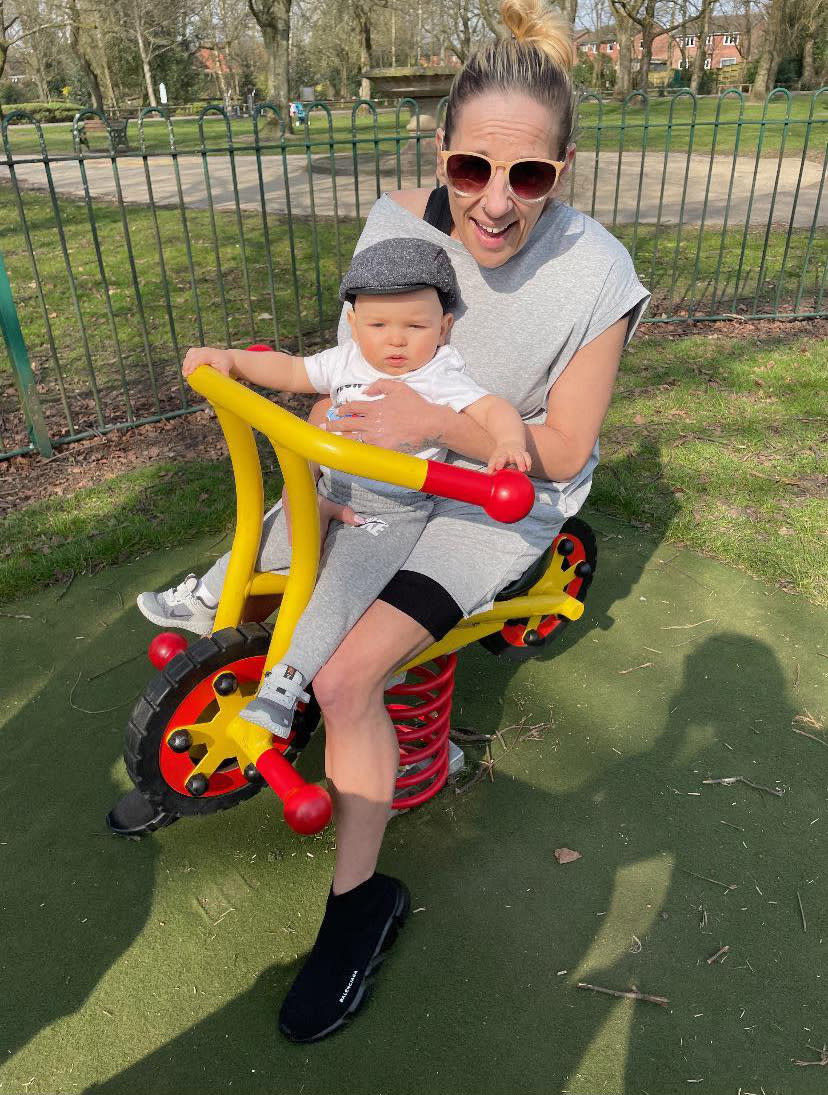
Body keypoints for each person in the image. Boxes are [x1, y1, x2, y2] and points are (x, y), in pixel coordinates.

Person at [110, 0, 651, 1045]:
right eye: (472, 170)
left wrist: (436, 423)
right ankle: (226, 732)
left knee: (354, 674)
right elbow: (359, 356)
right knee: (276, 579)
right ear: (440, 153)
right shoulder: (396, 223)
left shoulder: (597, 277)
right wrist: (316, 398)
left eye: (528, 176)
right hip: (378, 472)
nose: (494, 204)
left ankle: (358, 906)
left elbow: (567, 450)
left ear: (565, 170)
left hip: (492, 501)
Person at [139, 236, 529, 739]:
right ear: (353, 323)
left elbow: (492, 407)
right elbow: (290, 369)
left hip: (390, 514)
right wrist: (231, 359)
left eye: (415, 326)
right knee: (268, 533)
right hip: (333, 492)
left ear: (444, 328)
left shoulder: (439, 372)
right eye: (378, 325)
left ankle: (287, 683)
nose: (395, 341)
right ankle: (205, 596)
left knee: (338, 591)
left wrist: (507, 442)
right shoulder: (347, 360)